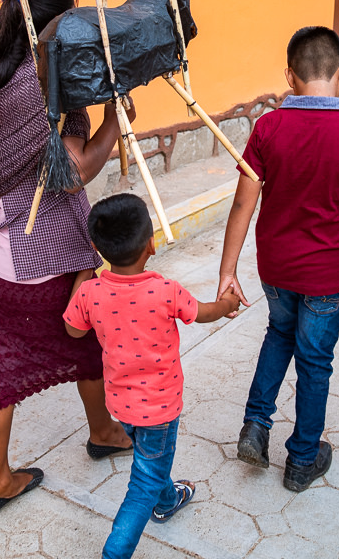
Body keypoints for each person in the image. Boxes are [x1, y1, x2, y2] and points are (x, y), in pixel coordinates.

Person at [0, 0, 134, 517]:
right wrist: (115, 123)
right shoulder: (49, 84)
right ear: (54, 26)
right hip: (40, 253)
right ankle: (104, 432)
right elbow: (72, 171)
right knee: (87, 341)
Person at [217, 27, 339, 492]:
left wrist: (227, 270)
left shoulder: (268, 128)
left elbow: (242, 204)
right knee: (314, 361)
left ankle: (256, 425)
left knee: (279, 334)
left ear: (290, 77)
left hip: (275, 269)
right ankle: (302, 460)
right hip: (326, 277)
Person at [64, 193, 240, 558]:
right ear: (151, 244)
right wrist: (226, 305)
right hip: (160, 410)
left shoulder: (91, 293)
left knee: (151, 464)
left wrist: (83, 278)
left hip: (120, 405)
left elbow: (73, 331)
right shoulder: (165, 291)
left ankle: (169, 499)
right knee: (143, 483)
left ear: (97, 248)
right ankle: (115, 552)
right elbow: (202, 313)